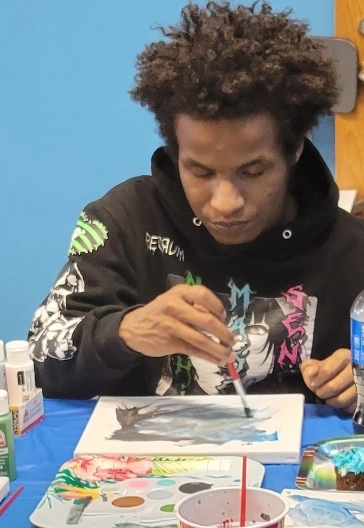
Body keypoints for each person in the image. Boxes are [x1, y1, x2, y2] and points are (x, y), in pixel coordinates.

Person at [28, 2, 364, 412]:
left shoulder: (353, 252)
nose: (226, 203)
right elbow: (40, 360)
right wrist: (126, 332)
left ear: (294, 150)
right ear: (176, 152)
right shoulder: (124, 222)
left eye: (253, 172)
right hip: (143, 472)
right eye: (201, 172)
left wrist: (359, 379)